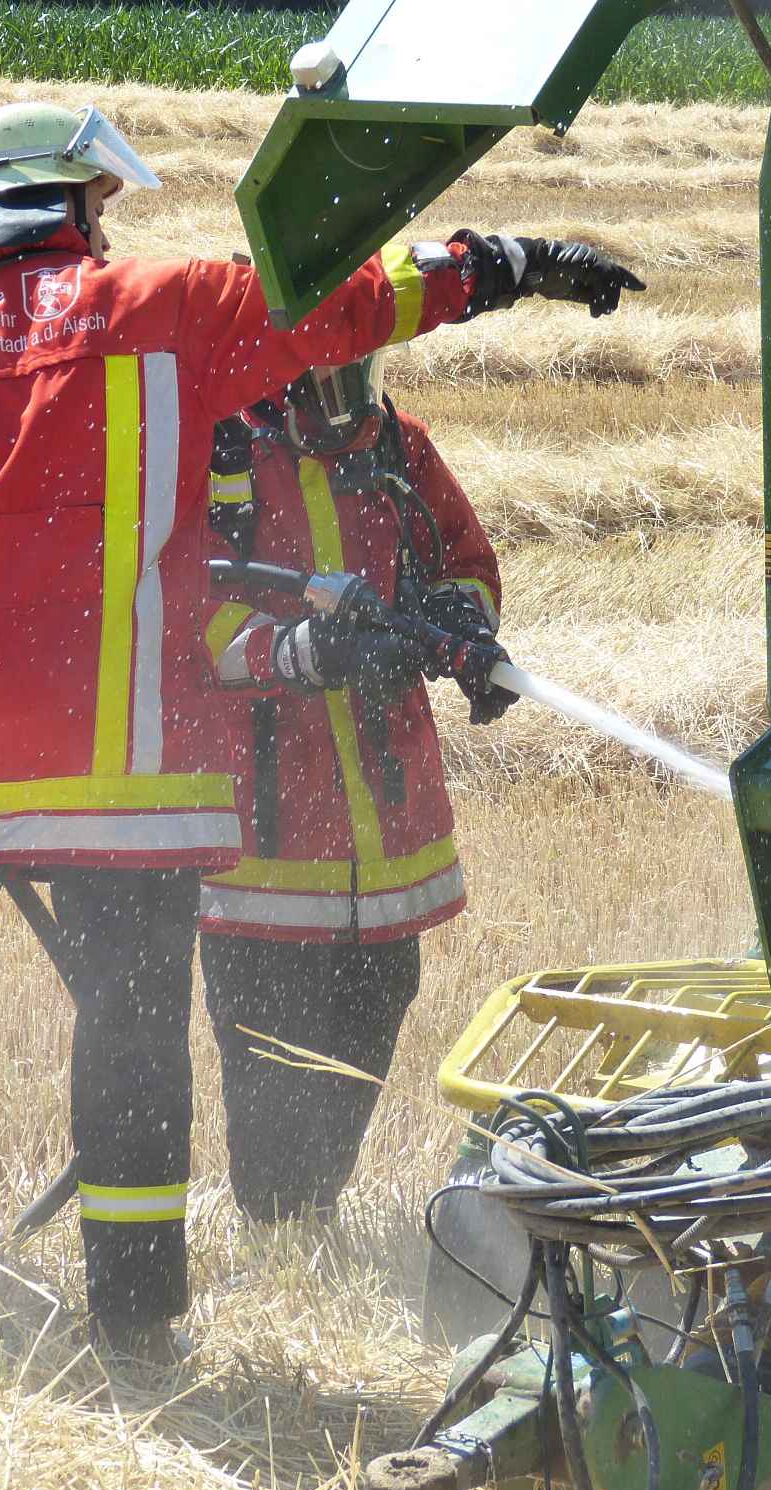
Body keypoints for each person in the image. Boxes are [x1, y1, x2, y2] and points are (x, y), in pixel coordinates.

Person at [0, 98, 642, 1361]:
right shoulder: (162, 307)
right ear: (61, 201)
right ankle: (139, 1327)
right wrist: (503, 264)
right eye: (97, 206)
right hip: (131, 777)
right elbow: (349, 304)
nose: (106, 231)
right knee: (131, 1043)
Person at [195, 355, 511, 1220]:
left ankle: (314, 1205)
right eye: (330, 380)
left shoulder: (400, 448)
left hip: (386, 827)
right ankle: (277, 1219)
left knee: (377, 1001)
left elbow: (466, 558)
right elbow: (187, 609)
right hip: (268, 835)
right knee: (268, 1037)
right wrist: (297, 651)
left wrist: (457, 619)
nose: (350, 404)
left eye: (359, 373)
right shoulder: (219, 458)